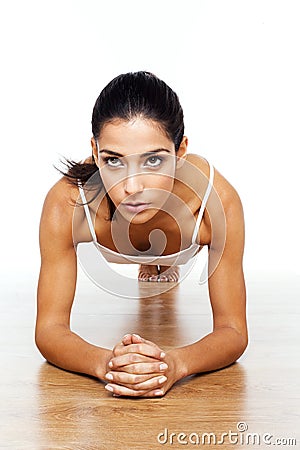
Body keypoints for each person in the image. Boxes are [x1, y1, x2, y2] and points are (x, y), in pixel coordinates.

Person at [35, 71, 248, 397]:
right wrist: (107, 363)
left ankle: (162, 261)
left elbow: (233, 331)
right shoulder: (66, 204)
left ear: (181, 152)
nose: (132, 187)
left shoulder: (215, 203)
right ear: (94, 152)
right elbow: (49, 330)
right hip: (120, 224)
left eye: (153, 160)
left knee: (161, 269)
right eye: (113, 161)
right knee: (153, 269)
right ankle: (152, 262)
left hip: (179, 240)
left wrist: (174, 363)